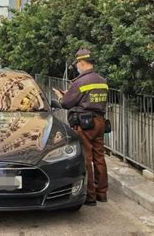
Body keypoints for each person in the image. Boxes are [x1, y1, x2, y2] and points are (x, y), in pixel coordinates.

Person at [54, 48, 109, 206]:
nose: (77, 66)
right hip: (100, 122)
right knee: (100, 158)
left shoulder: (81, 81)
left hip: (85, 124)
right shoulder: (102, 80)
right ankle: (102, 193)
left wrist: (61, 96)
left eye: (77, 63)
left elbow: (66, 103)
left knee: (87, 158)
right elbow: (90, 98)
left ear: (82, 63)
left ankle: (90, 197)